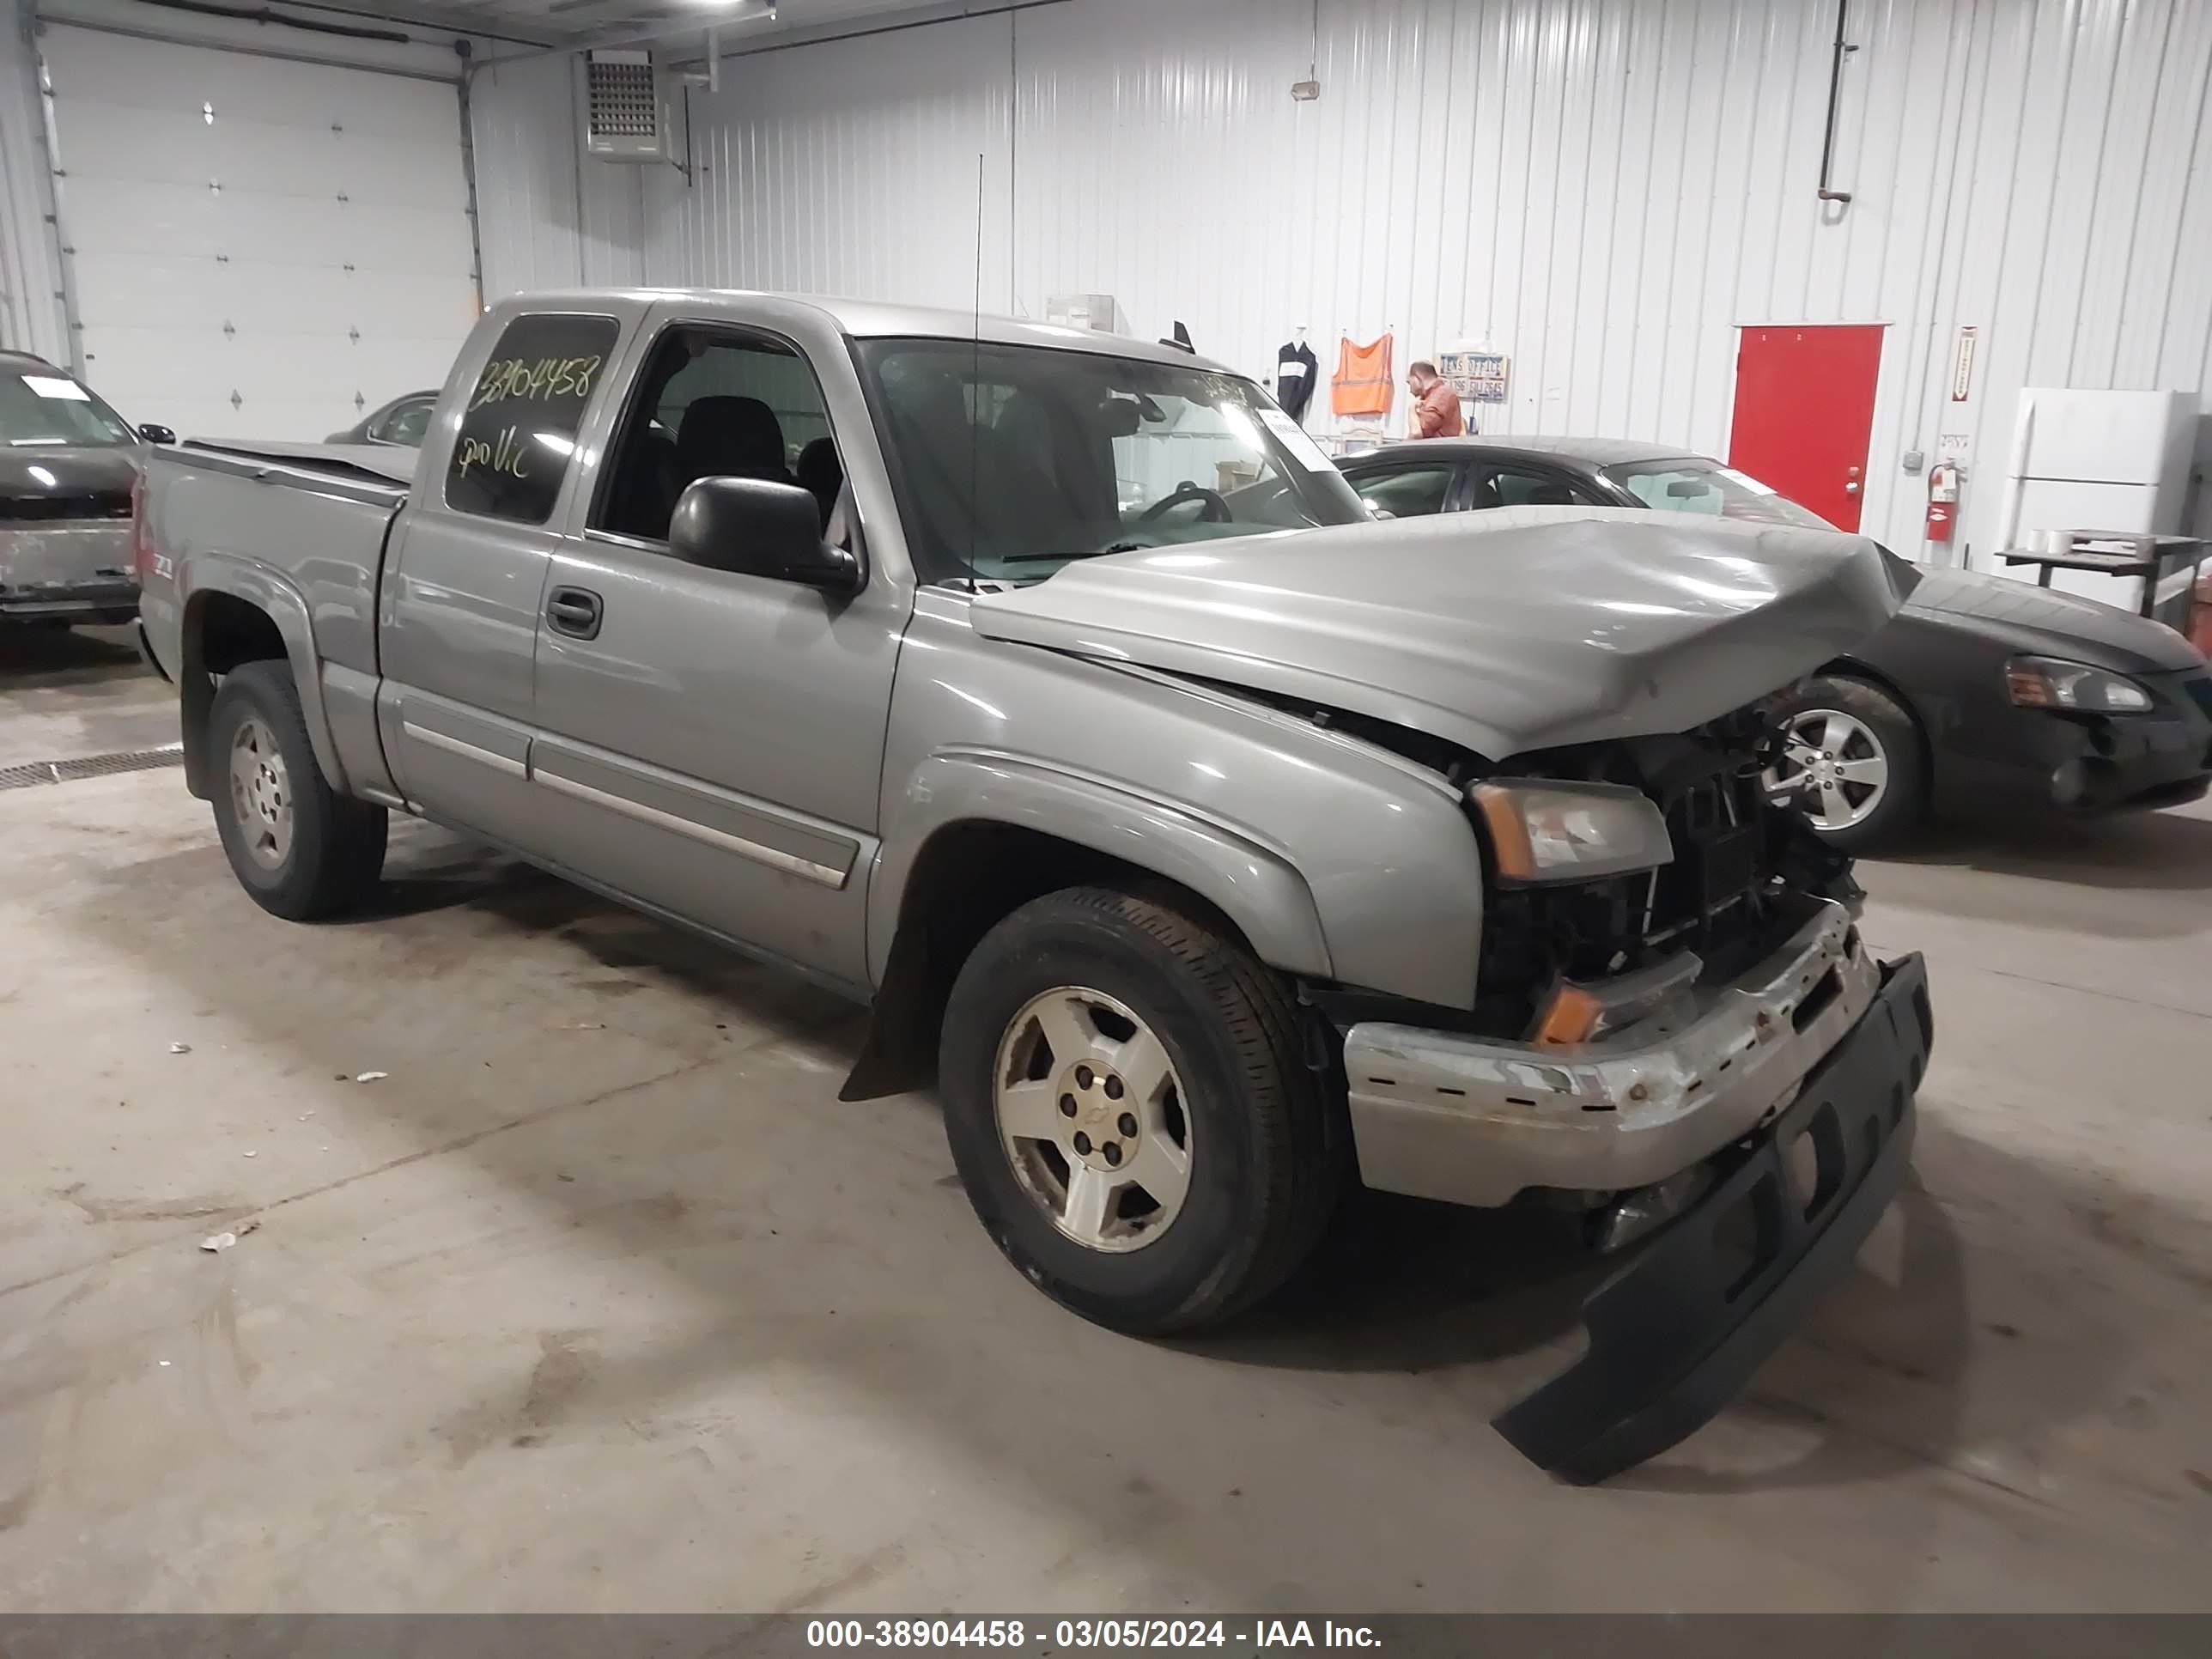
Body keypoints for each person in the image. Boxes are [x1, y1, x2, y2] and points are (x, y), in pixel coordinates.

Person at [1407, 361, 1465, 438]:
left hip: (1437, 449)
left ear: (1417, 378)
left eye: (1409, 381)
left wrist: (1412, 409)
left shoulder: (1441, 395)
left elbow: (1417, 433)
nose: (1409, 387)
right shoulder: (1431, 396)